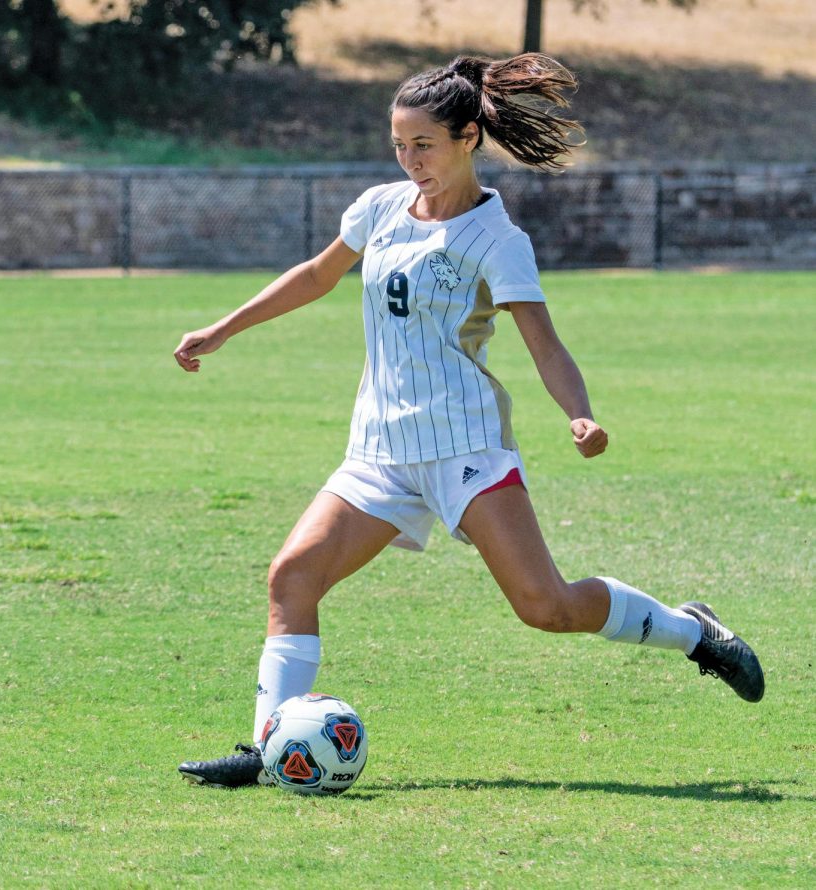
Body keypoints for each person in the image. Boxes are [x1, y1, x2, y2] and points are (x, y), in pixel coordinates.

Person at [172, 53, 764, 788]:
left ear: (468, 138)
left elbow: (545, 345)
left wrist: (580, 415)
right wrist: (224, 328)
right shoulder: (380, 208)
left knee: (546, 607)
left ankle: (692, 632)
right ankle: (267, 750)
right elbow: (318, 275)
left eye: (423, 144)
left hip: (466, 450)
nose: (408, 159)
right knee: (291, 578)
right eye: (398, 144)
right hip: (381, 452)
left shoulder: (497, 241)